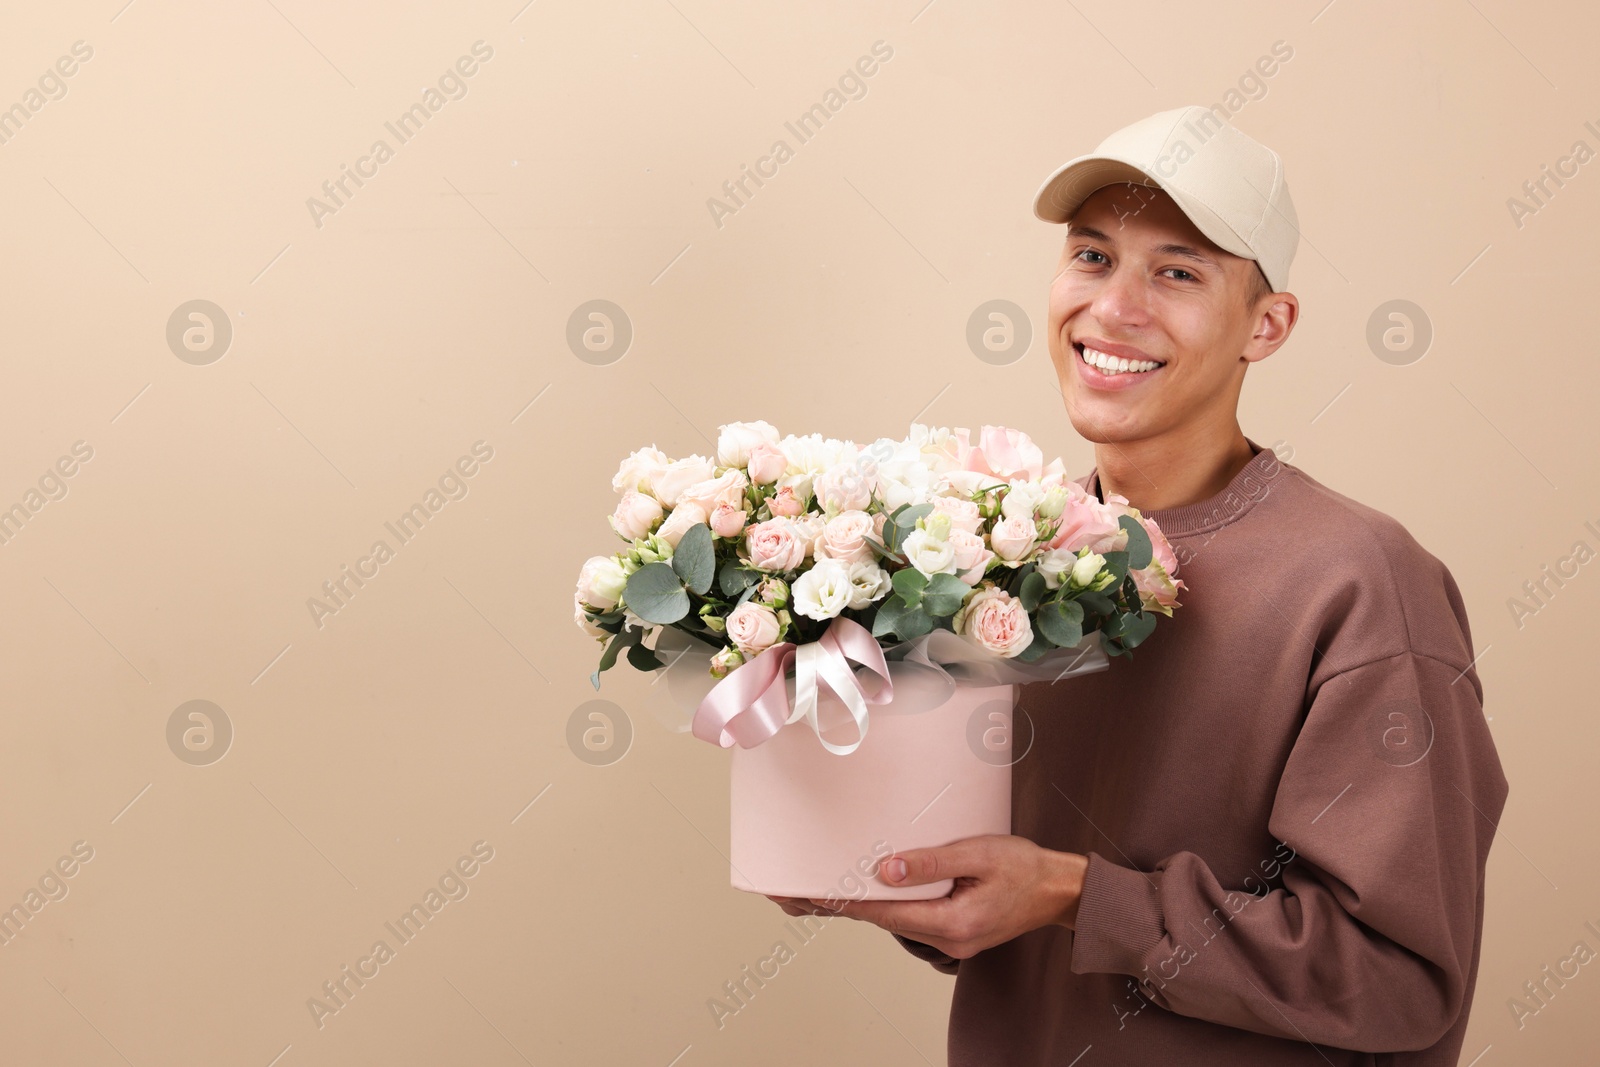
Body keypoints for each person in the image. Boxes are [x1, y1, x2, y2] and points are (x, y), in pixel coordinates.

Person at [767, 105, 1509, 1065]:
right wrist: (895, 875)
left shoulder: (1362, 583)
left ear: (1268, 325)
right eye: (1091, 256)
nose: (1114, 308)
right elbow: (1019, 908)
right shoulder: (996, 567)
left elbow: (1402, 980)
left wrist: (1078, 894)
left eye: (1178, 271)